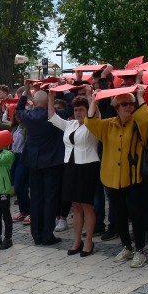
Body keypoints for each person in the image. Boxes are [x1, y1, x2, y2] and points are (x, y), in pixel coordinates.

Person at [85, 87, 148, 268]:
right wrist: (94, 100)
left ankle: (140, 250)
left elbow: (146, 118)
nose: (128, 107)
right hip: (111, 178)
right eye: (123, 104)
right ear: (116, 107)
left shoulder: (138, 123)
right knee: (118, 215)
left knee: (136, 215)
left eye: (130, 104)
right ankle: (126, 246)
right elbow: (90, 121)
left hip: (133, 178)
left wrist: (139, 96)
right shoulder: (108, 124)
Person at [15, 81, 72, 246]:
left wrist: (26, 92)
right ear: (48, 103)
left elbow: (18, 109)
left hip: (33, 161)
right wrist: (65, 89)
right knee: (50, 198)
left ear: (35, 102)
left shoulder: (28, 115)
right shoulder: (53, 115)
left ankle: (36, 235)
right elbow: (71, 106)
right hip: (52, 162)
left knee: (36, 199)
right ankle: (47, 235)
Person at [48, 88, 100, 257]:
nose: (78, 112)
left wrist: (93, 98)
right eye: (76, 109)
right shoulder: (70, 124)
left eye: (81, 109)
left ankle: (89, 241)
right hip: (70, 166)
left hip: (87, 166)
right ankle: (77, 240)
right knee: (76, 205)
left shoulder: (93, 124)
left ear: (87, 110)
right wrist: (51, 97)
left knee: (87, 206)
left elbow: (94, 114)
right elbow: (52, 117)